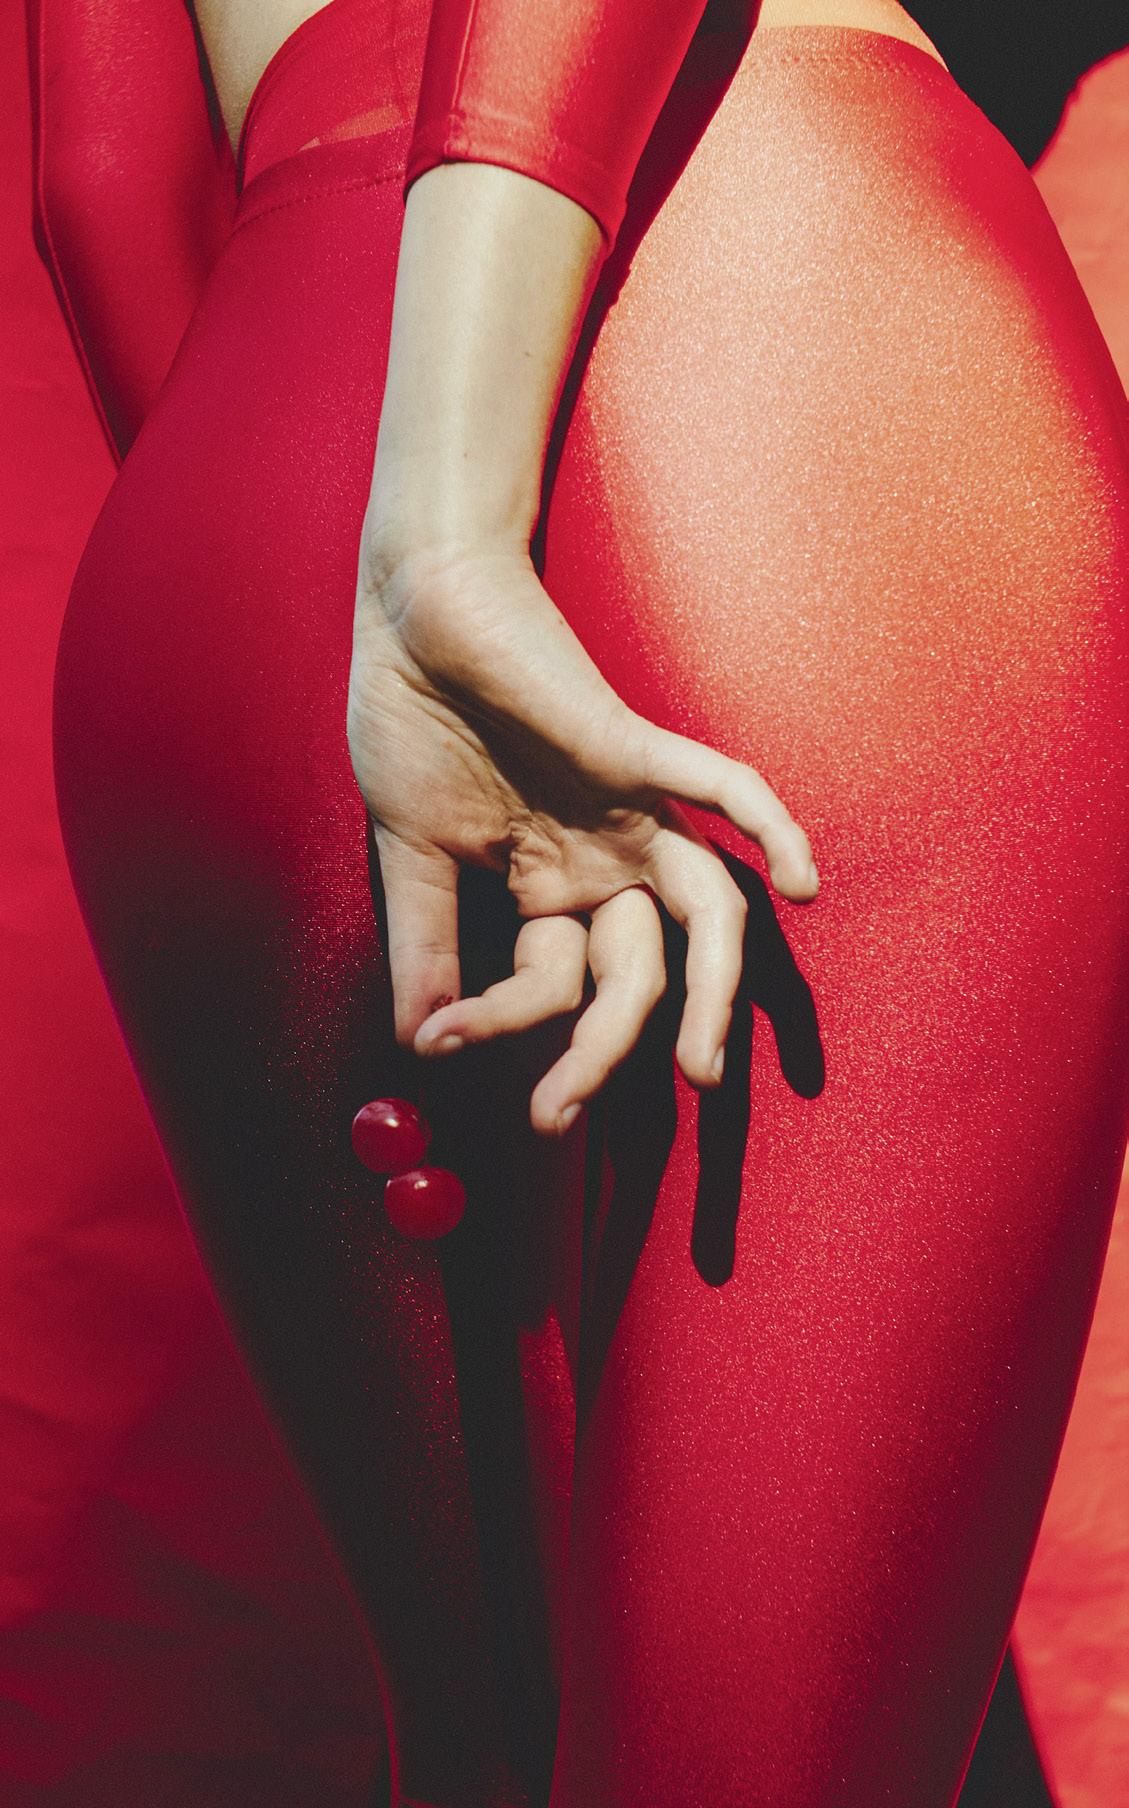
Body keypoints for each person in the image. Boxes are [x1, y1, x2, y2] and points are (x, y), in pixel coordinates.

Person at [33, 0, 1129, 1802]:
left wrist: (322, 600)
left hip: (259, 438)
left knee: (487, 1755)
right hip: (774, 324)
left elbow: (95, 177)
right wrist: (447, 539)